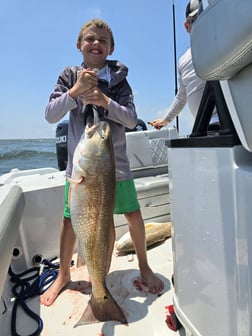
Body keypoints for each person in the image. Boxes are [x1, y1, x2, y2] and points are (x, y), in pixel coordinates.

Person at [41, 19, 164, 306]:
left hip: (116, 168)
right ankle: (63, 274)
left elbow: (132, 120)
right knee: (69, 220)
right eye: (89, 39)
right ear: (78, 45)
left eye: (102, 41)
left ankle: (144, 266)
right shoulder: (69, 75)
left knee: (132, 215)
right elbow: (49, 115)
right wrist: (75, 92)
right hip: (81, 172)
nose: (96, 43)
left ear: (111, 48)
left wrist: (105, 101)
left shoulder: (120, 80)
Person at [149, 0, 219, 130]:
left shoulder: (224, 42)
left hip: (231, 122)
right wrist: (166, 120)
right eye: (195, 20)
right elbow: (182, 96)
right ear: (187, 27)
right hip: (203, 126)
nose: (201, 23)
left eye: (204, 16)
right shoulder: (183, 61)